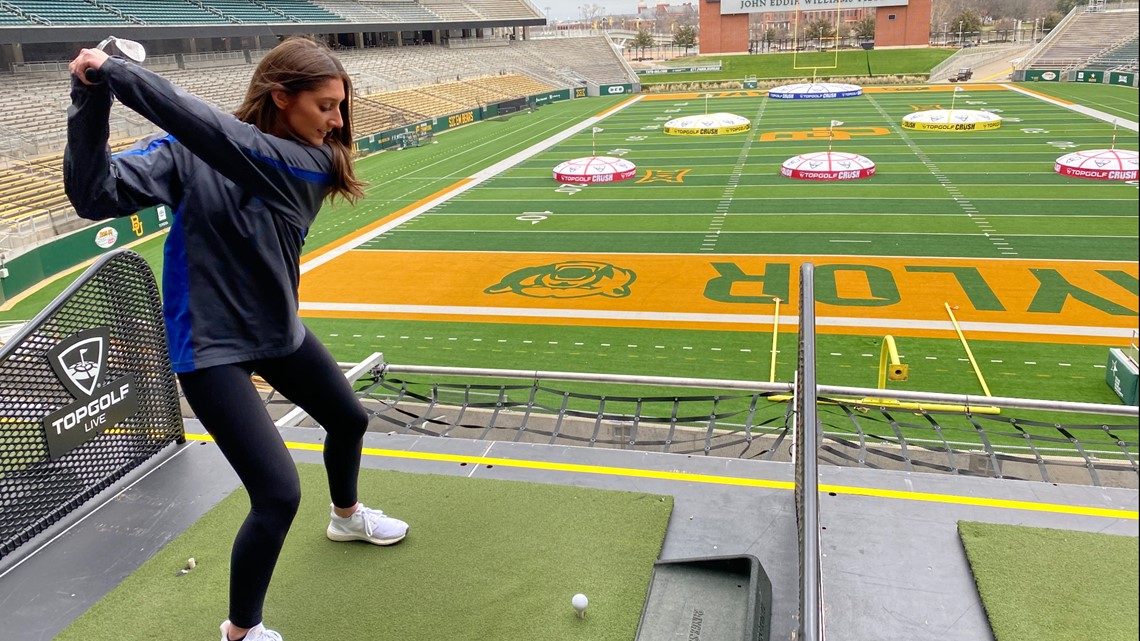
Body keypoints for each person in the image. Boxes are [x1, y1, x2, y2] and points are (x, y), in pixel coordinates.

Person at [65, 37, 409, 641]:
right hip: (209, 347)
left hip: (278, 331)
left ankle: (346, 517)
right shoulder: (190, 151)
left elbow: (221, 139)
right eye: (327, 106)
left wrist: (114, 69)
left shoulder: (310, 163)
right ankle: (242, 631)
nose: (338, 123)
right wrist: (90, 96)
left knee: (348, 419)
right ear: (282, 97)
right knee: (277, 495)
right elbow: (93, 195)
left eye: (341, 108)